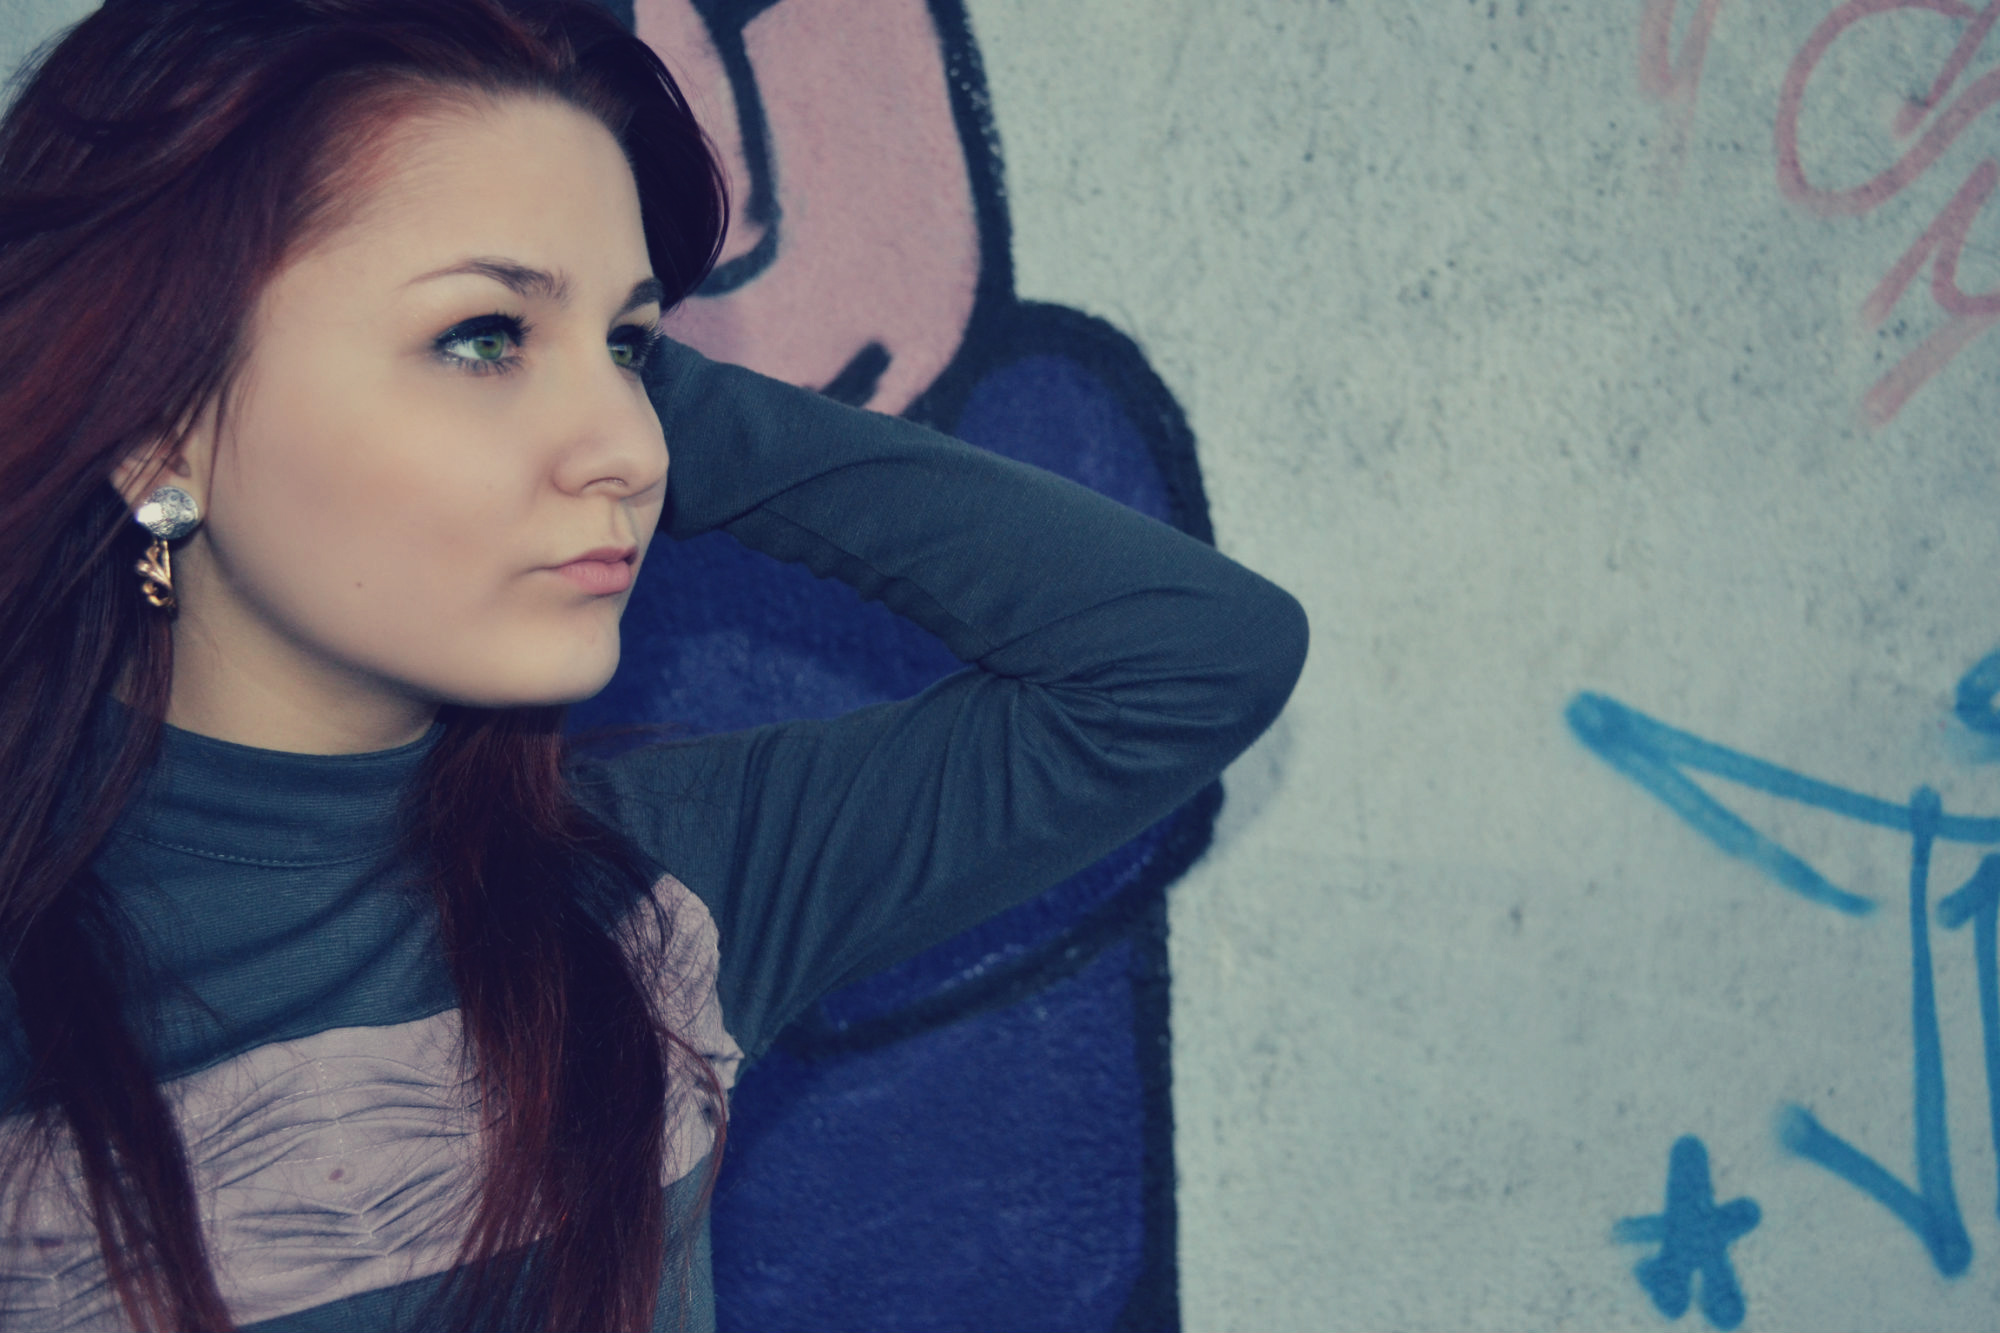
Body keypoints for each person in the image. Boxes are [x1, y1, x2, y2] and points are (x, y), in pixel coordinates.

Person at [0, 0, 1309, 1328]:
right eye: (483, 336)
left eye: (634, 351)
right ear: (158, 429)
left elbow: (1189, 659)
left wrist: (623, 368)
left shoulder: (658, 900)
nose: (631, 449)